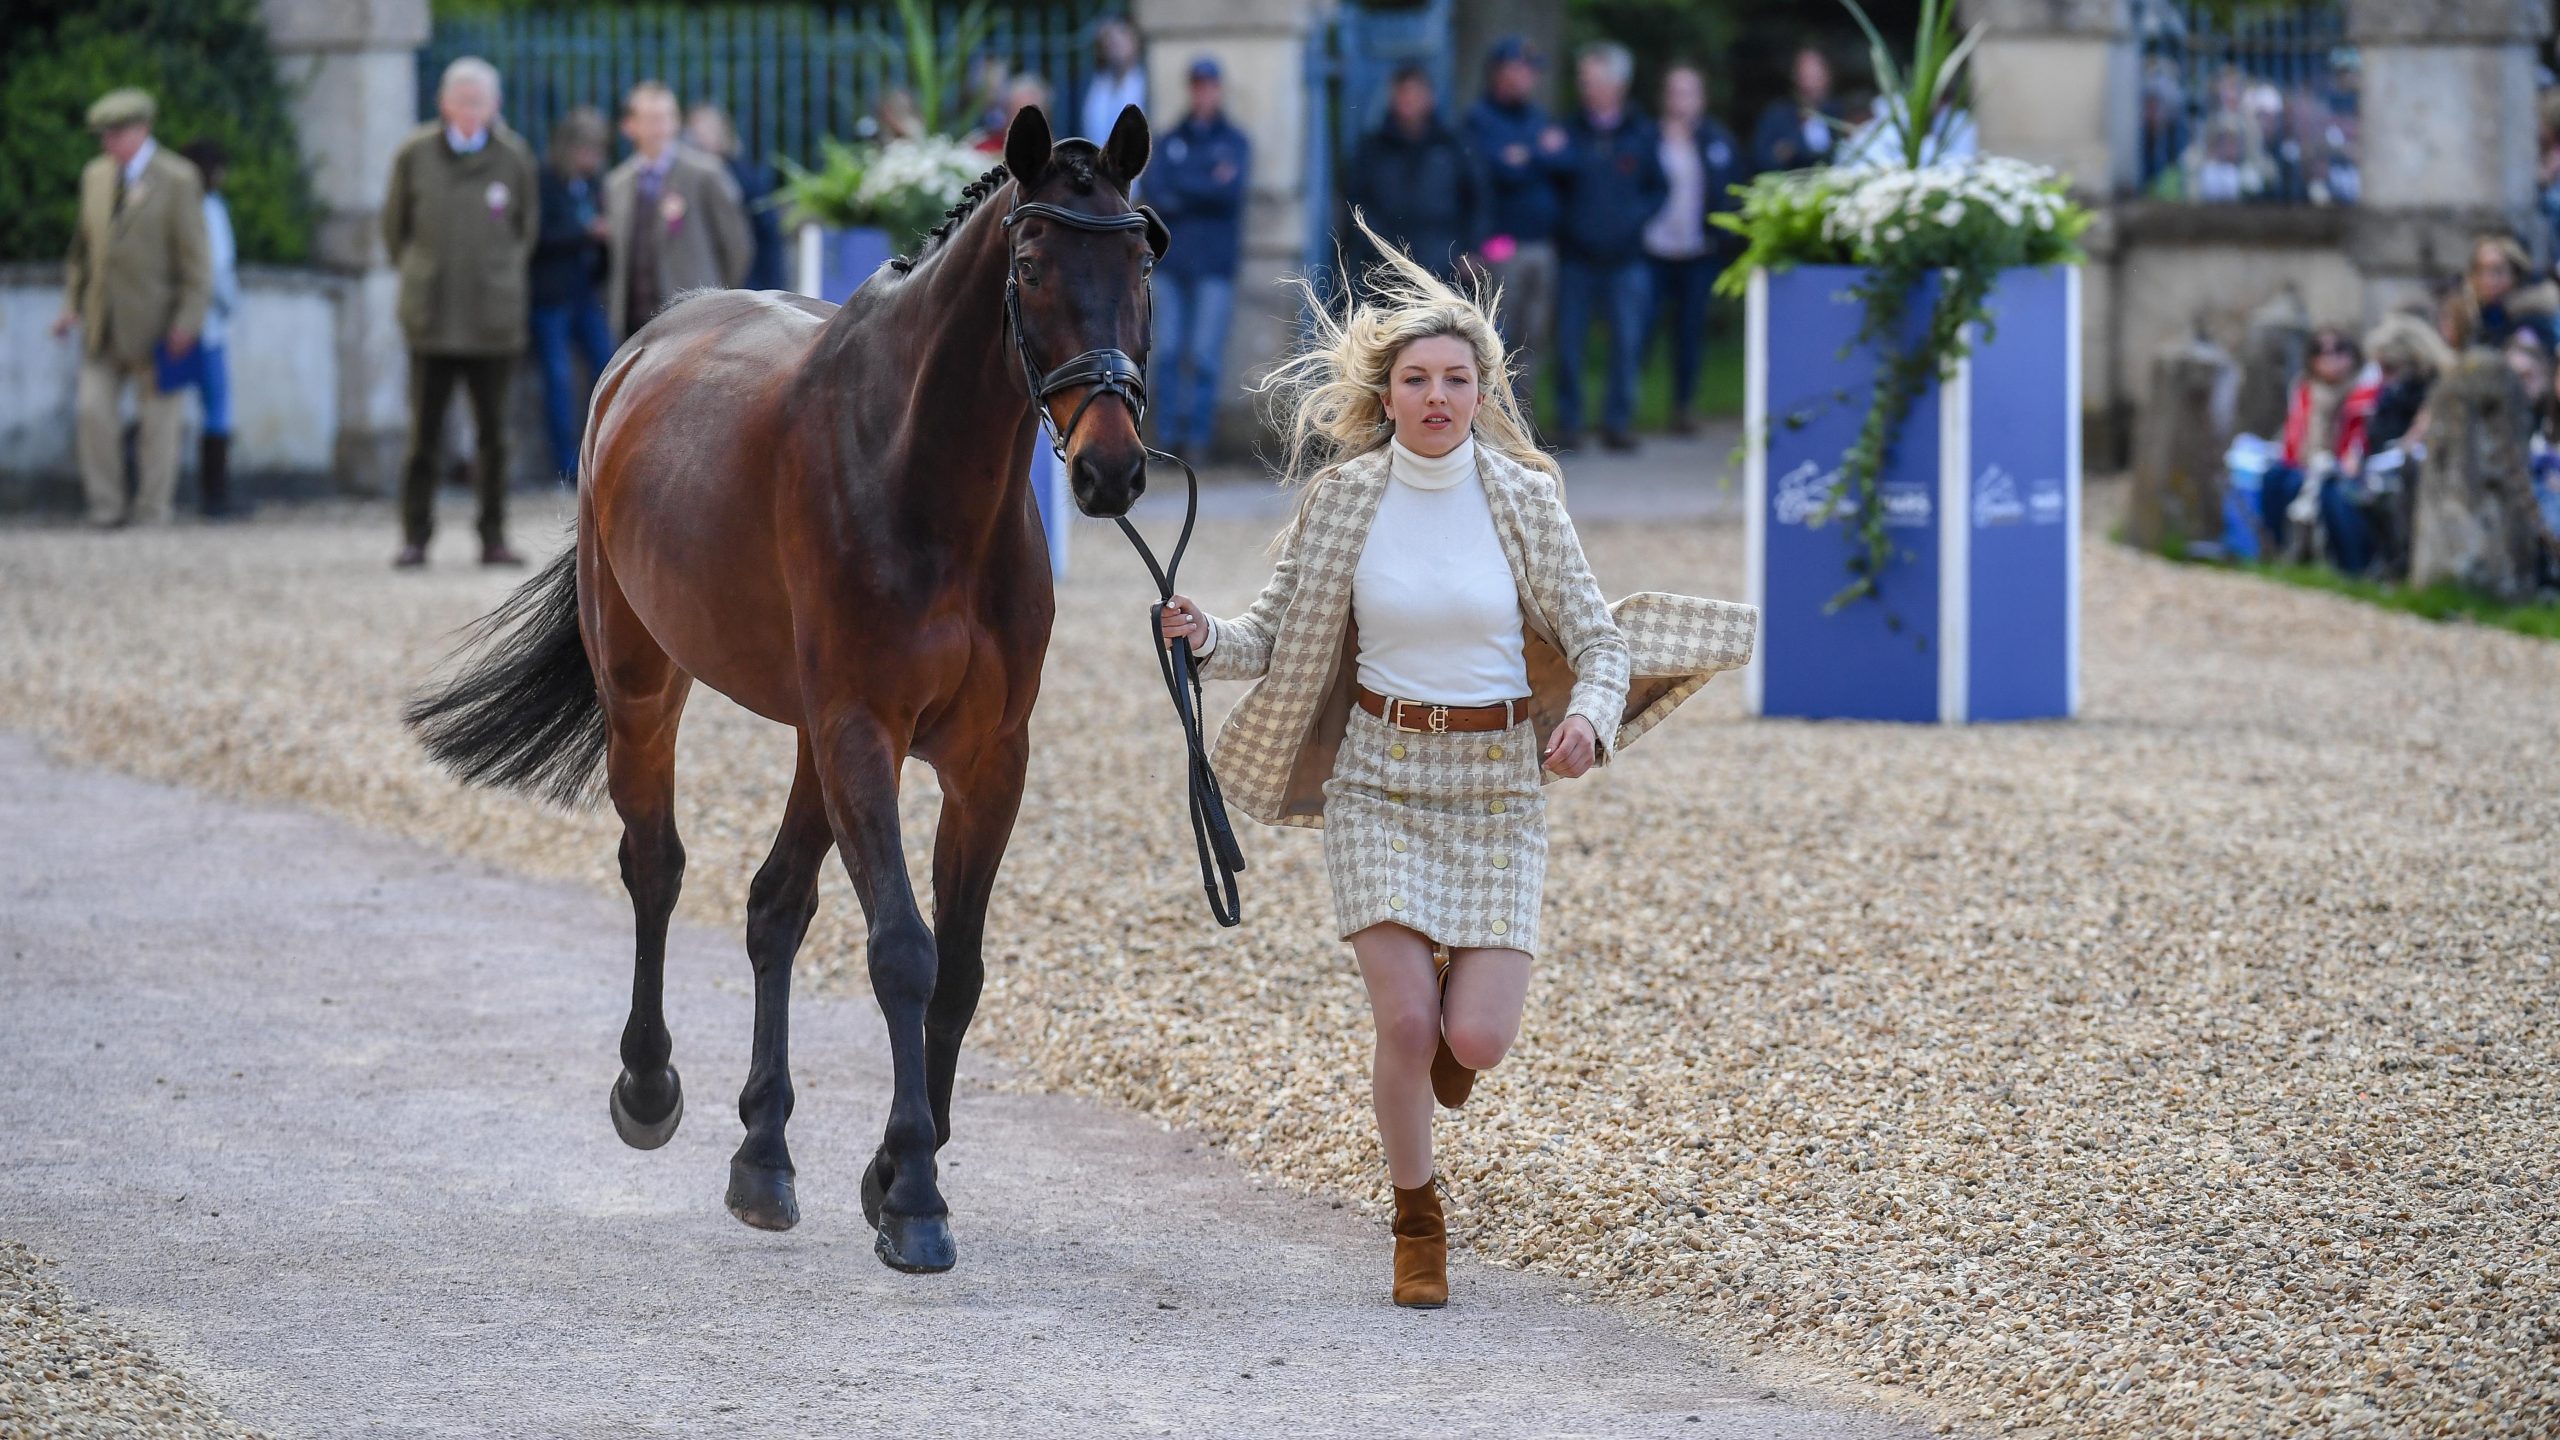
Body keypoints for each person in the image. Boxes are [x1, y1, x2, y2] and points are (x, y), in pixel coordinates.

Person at [1152, 219, 1744, 1310]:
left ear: (1481, 391)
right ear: (1385, 397)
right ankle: (1416, 1217)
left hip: (1496, 790)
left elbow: (1598, 641)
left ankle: (1443, 1052)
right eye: (1416, 379)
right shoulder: (1343, 501)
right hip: (1377, 778)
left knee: (1474, 1034)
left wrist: (1592, 723)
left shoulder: (1524, 499)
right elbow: (1271, 637)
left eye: (1455, 379)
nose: (1435, 396)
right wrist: (1203, 635)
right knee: (1407, 1024)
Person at [383, 57, 538, 568]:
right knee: (422, 436)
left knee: (494, 436)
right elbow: (394, 228)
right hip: (431, 316)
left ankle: (493, 535)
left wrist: (498, 276)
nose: (471, 110)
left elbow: (525, 230)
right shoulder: (414, 154)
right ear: (443, 103)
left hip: (492, 320)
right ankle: (415, 536)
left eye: (480, 101)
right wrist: (421, 273)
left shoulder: (513, 157)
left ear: (494, 105)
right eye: (462, 100)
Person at [54, 88, 211, 529]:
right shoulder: (96, 177)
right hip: (103, 324)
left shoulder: (178, 179)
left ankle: (152, 511)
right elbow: (81, 253)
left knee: (159, 426)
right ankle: (106, 508)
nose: (107, 143)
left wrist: (187, 322)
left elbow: (198, 264)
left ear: (143, 129)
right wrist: (71, 305)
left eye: (116, 133)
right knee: (92, 413)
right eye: (103, 135)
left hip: (160, 327)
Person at [1551, 42, 1666, 453]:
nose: (1586, 87)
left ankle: (1617, 423)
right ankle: (1570, 423)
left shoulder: (1642, 132)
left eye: (1594, 79)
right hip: (1576, 259)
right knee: (1569, 346)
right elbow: (1553, 186)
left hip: (1626, 261)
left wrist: (1633, 219)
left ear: (1618, 84)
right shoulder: (1566, 131)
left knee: (1627, 345)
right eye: (1583, 80)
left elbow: (1659, 188)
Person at [1143, 56, 1250, 461]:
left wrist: (1184, 190)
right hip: (1171, 263)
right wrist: (1205, 185)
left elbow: (1229, 195)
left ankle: (1198, 440)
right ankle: (1168, 437)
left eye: (1209, 86)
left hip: (1214, 266)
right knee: (1168, 353)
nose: (1203, 93)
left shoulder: (1234, 141)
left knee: (1204, 356)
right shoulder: (1169, 139)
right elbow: (1157, 192)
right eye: (1197, 86)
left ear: (1218, 90)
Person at [1464, 36, 1571, 427]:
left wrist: (1528, 154)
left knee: (1533, 339)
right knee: (1497, 339)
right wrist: (1539, 153)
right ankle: (1490, 421)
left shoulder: (1537, 117)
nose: (1528, 79)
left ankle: (1520, 421)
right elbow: (1501, 170)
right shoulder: (1480, 118)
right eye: (1520, 70)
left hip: (1542, 244)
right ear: (1500, 72)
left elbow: (1565, 160)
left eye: (1532, 72)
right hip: (1500, 246)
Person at [604, 80, 752, 342]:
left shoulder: (705, 173)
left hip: (694, 322)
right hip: (634, 325)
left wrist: (716, 300)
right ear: (630, 126)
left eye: (666, 117)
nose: (659, 127)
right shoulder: (617, 184)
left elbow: (737, 246)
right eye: (650, 119)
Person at [1641, 63, 1742, 435]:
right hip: (1653, 251)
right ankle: (1626, 408)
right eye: (1674, 92)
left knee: (1690, 333)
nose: (1681, 100)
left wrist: (1722, 237)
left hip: (1698, 253)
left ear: (1701, 98)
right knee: (1642, 328)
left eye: (1689, 92)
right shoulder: (1649, 137)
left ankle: (1682, 407)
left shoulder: (1717, 140)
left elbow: (1732, 190)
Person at [530, 107, 616, 484]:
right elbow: (538, 238)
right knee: (559, 378)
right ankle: (565, 464)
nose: (592, 160)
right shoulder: (543, 181)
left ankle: (603, 453)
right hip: (551, 298)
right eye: (587, 151)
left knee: (609, 367)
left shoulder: (594, 184)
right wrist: (585, 234)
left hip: (587, 294)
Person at [1341, 63, 1482, 284]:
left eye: (1416, 94)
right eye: (1403, 94)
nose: (1409, 102)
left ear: (1430, 98)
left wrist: (1469, 249)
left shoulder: (1452, 146)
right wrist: (1377, 246)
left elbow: (1477, 198)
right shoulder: (1373, 149)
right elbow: (1357, 202)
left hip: (1443, 262)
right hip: (1386, 266)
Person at [2259, 326, 2372, 563]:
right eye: (2321, 351)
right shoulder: (2304, 390)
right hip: (2301, 462)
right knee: (2273, 477)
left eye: (2338, 350)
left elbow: (2358, 441)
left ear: (2352, 355)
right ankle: (2276, 551)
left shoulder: (2361, 392)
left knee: (2296, 484)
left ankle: (2304, 557)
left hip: (2336, 466)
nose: (2330, 358)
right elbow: (2293, 436)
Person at [179, 138, 242, 519]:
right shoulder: (209, 209)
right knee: (217, 407)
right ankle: (215, 496)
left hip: (176, 321)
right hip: (206, 324)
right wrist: (229, 305)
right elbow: (218, 269)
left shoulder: (174, 205)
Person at [685, 102, 787, 293]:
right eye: (695, 131)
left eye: (706, 130)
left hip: (747, 280)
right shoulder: (685, 179)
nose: (698, 138)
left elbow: (766, 231)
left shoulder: (743, 177)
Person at [2453, 235, 2556, 351]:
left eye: (2497, 271)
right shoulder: (2472, 313)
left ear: (2515, 275)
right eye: (2480, 270)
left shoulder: (2532, 318)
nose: (2487, 280)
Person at [1749, 44, 1842, 174]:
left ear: (1829, 75)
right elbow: (1760, 161)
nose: (1811, 81)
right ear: (1795, 76)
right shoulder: (1777, 116)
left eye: (1817, 73)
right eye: (1806, 73)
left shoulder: (1840, 114)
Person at [1079, 16, 1146, 142]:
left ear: (1136, 41)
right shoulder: (1091, 84)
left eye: (1122, 36)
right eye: (1110, 39)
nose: (1115, 44)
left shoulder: (1147, 83)